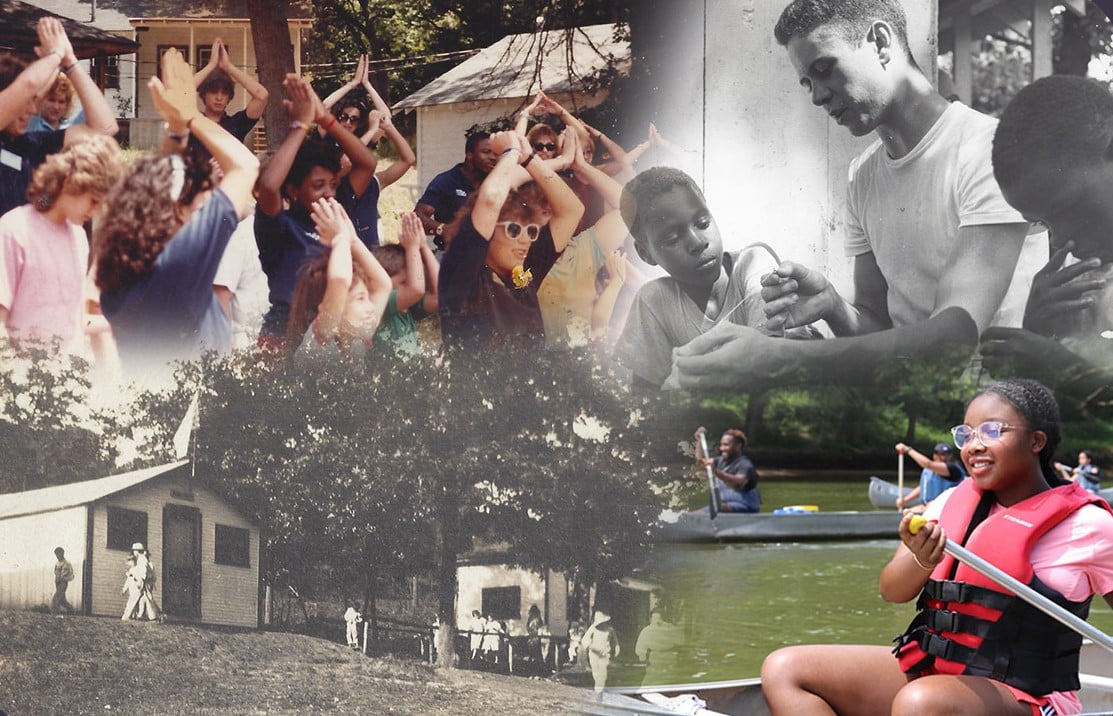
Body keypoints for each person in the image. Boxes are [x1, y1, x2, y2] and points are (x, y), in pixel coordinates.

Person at [671, 0, 1037, 390]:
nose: (816, 97)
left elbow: (952, 340)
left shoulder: (987, 149)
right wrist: (832, 305)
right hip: (913, 409)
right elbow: (879, 331)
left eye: (824, 69)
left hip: (999, 415)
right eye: (807, 82)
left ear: (880, 41)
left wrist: (777, 358)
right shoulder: (862, 175)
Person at [761, 378, 1113, 716]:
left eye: (992, 431)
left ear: (1037, 441)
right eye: (966, 433)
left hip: (1028, 697)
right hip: (936, 678)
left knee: (922, 703)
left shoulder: (1089, 526)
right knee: (785, 669)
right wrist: (920, 558)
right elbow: (892, 591)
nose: (973, 444)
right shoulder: (947, 503)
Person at [93, 48, 258, 383]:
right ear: (177, 211)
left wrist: (178, 132)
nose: (209, 202)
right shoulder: (183, 262)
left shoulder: (125, 267)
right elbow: (245, 167)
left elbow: (157, 188)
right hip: (193, 412)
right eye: (203, 199)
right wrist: (187, 114)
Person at [979, 75, 1113, 415]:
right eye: (1044, 224)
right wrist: (1036, 335)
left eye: (1071, 209)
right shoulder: (1082, 280)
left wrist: (1067, 370)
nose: (1063, 243)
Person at [613, 166, 796, 389]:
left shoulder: (753, 264)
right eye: (672, 238)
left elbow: (768, 367)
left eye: (703, 223)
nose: (698, 242)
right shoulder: (653, 301)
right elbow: (645, 401)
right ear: (645, 253)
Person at [254, 74, 378, 352]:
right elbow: (268, 186)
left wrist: (326, 120)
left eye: (333, 184)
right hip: (284, 334)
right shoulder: (280, 227)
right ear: (295, 190)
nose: (330, 193)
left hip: (336, 329)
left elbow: (366, 164)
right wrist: (300, 126)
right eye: (318, 186)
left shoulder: (337, 213)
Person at [437, 128, 584, 353]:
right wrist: (510, 152)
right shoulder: (463, 273)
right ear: (487, 232)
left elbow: (572, 210)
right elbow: (489, 200)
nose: (525, 240)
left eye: (531, 231)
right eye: (514, 230)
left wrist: (530, 159)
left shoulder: (524, 272)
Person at [0, 134, 122, 355]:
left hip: (69, 380)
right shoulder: (14, 230)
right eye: (93, 200)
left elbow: (72, 321)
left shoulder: (78, 236)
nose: (95, 211)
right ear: (69, 182)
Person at [0, 17, 118, 217]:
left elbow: (105, 129)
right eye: (26, 100)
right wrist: (55, 54)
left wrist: (70, 62)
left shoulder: (33, 146)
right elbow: (27, 85)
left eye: (35, 100)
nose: (32, 110)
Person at [284, 197, 392, 359]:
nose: (370, 307)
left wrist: (353, 240)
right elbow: (340, 280)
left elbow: (383, 285)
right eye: (360, 298)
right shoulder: (320, 341)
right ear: (326, 304)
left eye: (367, 298)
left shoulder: (357, 339)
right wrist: (341, 238)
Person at [185, 38, 268, 161]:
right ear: (204, 94)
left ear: (229, 97)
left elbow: (262, 95)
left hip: (229, 179)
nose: (219, 98)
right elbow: (180, 92)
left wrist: (228, 67)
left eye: (224, 93)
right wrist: (211, 66)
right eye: (214, 92)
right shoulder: (193, 122)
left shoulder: (236, 124)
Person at [369, 212, 439, 355]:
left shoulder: (407, 308)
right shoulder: (382, 303)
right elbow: (416, 290)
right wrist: (412, 247)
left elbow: (440, 295)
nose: (412, 285)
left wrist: (424, 246)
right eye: (403, 282)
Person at [414, 130, 498, 246]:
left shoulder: (497, 183)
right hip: (450, 254)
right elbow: (418, 216)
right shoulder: (446, 181)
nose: (493, 157)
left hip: (487, 256)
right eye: (486, 152)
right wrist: (443, 229)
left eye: (496, 153)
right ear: (469, 155)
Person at [694, 425, 760, 513]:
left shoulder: (745, 464)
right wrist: (699, 441)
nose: (722, 448)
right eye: (721, 445)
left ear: (738, 446)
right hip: (725, 506)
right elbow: (700, 462)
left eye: (726, 445)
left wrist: (715, 471)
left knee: (718, 507)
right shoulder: (719, 461)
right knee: (717, 506)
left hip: (746, 507)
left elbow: (738, 483)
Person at [894, 441, 967, 510]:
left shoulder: (953, 468)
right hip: (928, 506)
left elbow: (927, 464)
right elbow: (923, 487)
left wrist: (908, 450)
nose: (942, 457)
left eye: (945, 454)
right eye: (938, 454)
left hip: (946, 508)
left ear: (950, 456)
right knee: (907, 514)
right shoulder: (929, 470)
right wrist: (905, 500)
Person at [634, 608, 684, 686]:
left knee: (670, 681)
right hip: (655, 659)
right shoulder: (647, 631)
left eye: (659, 618)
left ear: (663, 618)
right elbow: (640, 648)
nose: (657, 621)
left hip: (670, 658)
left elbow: (681, 641)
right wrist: (643, 659)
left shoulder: (671, 629)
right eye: (655, 618)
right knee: (649, 683)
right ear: (651, 619)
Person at [582, 608, 620, 692]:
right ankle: (598, 693)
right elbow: (585, 640)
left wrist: (617, 648)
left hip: (604, 654)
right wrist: (592, 647)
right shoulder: (593, 628)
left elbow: (615, 640)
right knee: (596, 675)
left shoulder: (610, 629)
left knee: (602, 676)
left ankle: (599, 693)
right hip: (594, 654)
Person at [51, 547, 74, 615]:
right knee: (62, 600)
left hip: (63, 583)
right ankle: (72, 611)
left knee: (56, 599)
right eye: (56, 555)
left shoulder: (67, 563)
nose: (57, 556)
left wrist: (65, 579)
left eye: (58, 554)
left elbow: (72, 575)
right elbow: (55, 572)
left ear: (62, 553)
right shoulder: (57, 564)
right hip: (57, 583)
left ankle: (56, 615)